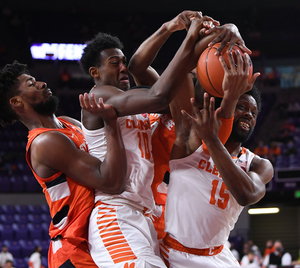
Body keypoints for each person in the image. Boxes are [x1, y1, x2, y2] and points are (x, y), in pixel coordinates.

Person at [79, 12, 245, 268]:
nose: (123, 67)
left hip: (146, 212)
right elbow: (153, 86)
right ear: (95, 72)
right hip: (116, 211)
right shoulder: (98, 97)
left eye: (122, 61)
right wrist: (183, 33)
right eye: (115, 63)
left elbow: (159, 81)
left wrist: (224, 32)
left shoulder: (179, 119)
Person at [127, 10, 253, 243]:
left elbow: (182, 67)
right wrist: (167, 28)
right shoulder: (167, 97)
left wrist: (225, 31)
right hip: (136, 194)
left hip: (155, 205)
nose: (195, 67)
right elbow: (136, 67)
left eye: (200, 63)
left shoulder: (203, 124)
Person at [0, 61, 127, 268]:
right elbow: (112, 182)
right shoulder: (45, 142)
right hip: (74, 249)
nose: (42, 84)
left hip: (98, 237)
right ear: (16, 101)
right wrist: (111, 124)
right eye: (31, 84)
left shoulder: (68, 122)